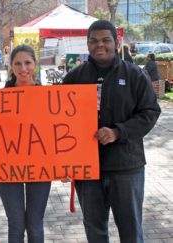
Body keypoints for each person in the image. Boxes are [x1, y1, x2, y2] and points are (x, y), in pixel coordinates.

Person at [63, 20, 161, 243]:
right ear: (87, 45)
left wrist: (118, 132)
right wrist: (63, 162)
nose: (100, 45)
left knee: (131, 232)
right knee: (95, 233)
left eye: (106, 40)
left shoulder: (135, 75)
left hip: (126, 167)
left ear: (116, 43)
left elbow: (150, 112)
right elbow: (55, 120)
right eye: (94, 41)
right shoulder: (73, 78)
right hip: (87, 172)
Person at [0, 44, 51, 243]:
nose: (23, 68)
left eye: (28, 62)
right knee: (16, 225)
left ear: (35, 65)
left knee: (35, 225)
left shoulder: (50, 99)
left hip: (41, 168)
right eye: (17, 63)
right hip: (8, 168)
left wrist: (65, 164)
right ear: (11, 66)